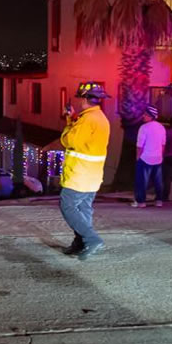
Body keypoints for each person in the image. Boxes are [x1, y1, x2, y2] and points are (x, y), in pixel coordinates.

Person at [59, 82, 111, 260]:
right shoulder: (100, 118)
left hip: (79, 175)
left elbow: (70, 141)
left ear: (85, 99)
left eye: (81, 97)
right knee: (83, 209)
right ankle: (81, 243)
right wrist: (73, 118)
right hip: (93, 175)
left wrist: (68, 123)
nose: (80, 101)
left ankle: (91, 239)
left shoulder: (88, 119)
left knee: (67, 206)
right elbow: (84, 138)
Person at [132, 104, 166, 207]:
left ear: (151, 116)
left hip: (145, 157)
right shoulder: (161, 127)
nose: (143, 116)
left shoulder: (143, 128)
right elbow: (163, 144)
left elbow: (140, 145)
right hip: (158, 158)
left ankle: (141, 202)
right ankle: (159, 200)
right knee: (158, 181)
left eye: (146, 114)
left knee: (142, 181)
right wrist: (161, 155)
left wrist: (138, 157)